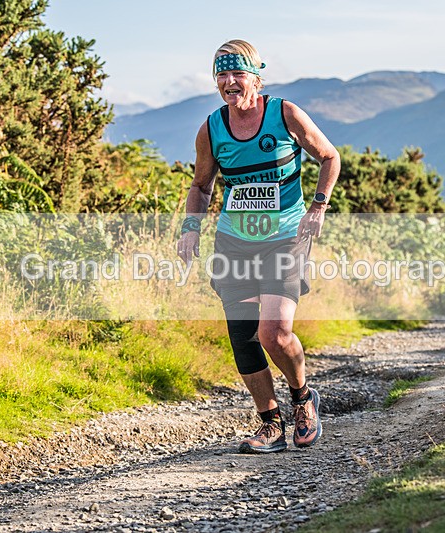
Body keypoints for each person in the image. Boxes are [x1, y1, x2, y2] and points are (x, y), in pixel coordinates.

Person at [177, 39, 340, 453]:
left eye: (238, 73)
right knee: (243, 335)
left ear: (256, 76)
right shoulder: (212, 128)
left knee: (274, 332)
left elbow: (329, 157)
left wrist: (317, 207)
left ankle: (303, 398)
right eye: (222, 74)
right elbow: (201, 185)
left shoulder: (284, 113)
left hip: (285, 236)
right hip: (234, 240)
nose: (230, 82)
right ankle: (271, 424)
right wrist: (190, 228)